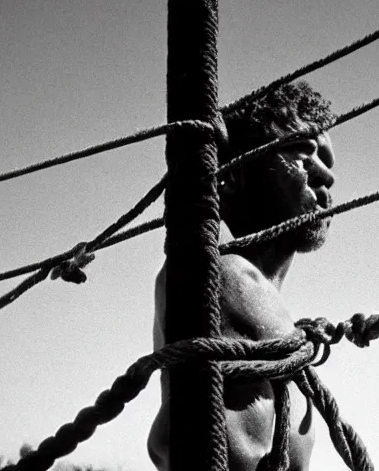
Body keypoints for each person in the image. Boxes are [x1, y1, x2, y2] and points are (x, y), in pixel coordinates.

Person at [148, 81, 337, 471]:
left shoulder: (264, 302)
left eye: (328, 163)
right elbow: (172, 440)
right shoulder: (221, 275)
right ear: (233, 176)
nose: (324, 176)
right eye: (302, 154)